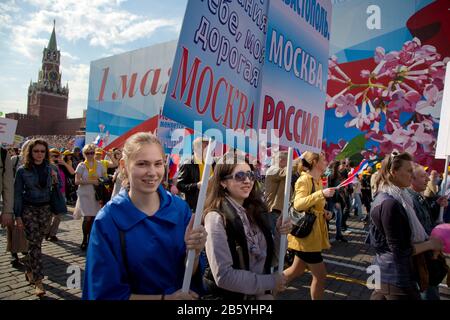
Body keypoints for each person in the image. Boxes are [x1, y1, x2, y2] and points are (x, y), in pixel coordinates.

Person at [83, 132, 206, 300]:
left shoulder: (180, 209)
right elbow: (105, 293)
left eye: (158, 164)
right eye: (142, 164)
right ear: (124, 165)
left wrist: (196, 252)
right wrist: (165, 299)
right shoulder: (108, 220)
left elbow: (188, 273)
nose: (152, 172)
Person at [202, 155, 291, 299]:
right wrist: (270, 282)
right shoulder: (215, 218)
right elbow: (223, 276)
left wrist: (281, 233)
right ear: (223, 182)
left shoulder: (256, 211)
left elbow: (273, 259)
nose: (247, 181)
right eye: (240, 176)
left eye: (250, 174)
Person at [369, 152, 443, 300]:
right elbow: (401, 250)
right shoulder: (390, 203)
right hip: (395, 275)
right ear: (394, 172)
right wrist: (430, 244)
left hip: (386, 272)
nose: (411, 175)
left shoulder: (398, 197)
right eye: (409, 171)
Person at [283, 152, 335, 300]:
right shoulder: (304, 179)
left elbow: (313, 205)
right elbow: (299, 204)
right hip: (307, 236)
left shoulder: (318, 180)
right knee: (321, 275)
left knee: (296, 270)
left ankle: (268, 290)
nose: (326, 161)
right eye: (323, 159)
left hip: (312, 234)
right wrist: (322, 194)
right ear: (314, 162)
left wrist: (325, 212)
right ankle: (268, 290)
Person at [13, 139, 62, 297]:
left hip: (45, 209)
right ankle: (38, 281)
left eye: (42, 151)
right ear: (30, 152)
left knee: (37, 243)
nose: (39, 154)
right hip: (29, 209)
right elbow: (17, 195)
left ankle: (29, 268)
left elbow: (58, 188)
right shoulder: (22, 170)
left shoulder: (51, 168)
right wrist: (18, 215)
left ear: (46, 153)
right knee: (35, 244)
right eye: (36, 151)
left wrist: (55, 179)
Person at [74, 144, 106, 250]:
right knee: (87, 218)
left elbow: (104, 178)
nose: (90, 155)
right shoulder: (81, 165)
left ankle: (91, 239)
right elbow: (77, 181)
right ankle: (84, 239)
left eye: (92, 152)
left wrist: (103, 181)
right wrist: (92, 181)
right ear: (84, 154)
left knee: (94, 218)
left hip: (96, 194)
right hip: (85, 194)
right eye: (87, 153)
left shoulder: (100, 165)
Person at [177, 137, 210, 211]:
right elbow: (179, 185)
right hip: (194, 206)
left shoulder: (212, 163)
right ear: (196, 148)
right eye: (205, 147)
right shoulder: (187, 163)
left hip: (210, 204)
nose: (208, 150)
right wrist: (196, 186)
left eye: (208, 147)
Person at [264, 150, 289, 232]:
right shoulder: (273, 170)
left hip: (278, 210)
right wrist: (301, 158)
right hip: (274, 211)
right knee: (275, 238)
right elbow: (287, 171)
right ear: (281, 160)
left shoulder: (277, 170)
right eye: (289, 161)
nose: (290, 163)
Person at [327, 161, 347, 242]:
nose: (342, 166)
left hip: (337, 199)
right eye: (340, 165)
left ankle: (339, 235)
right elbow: (331, 189)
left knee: (339, 217)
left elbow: (339, 188)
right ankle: (326, 236)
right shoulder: (331, 175)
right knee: (328, 217)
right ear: (337, 166)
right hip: (332, 200)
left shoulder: (339, 175)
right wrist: (336, 202)